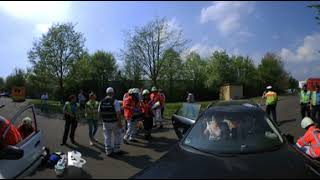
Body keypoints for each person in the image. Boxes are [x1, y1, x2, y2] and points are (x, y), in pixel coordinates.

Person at [98, 87, 122, 156]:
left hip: (105, 122)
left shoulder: (101, 102)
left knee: (107, 136)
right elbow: (118, 113)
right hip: (114, 122)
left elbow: (99, 112)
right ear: (113, 93)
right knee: (117, 135)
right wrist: (120, 122)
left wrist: (101, 121)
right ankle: (116, 149)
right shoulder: (115, 101)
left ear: (106, 93)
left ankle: (108, 151)